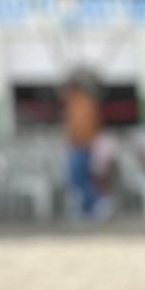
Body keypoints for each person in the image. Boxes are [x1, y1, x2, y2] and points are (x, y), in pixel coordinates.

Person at [61, 77, 103, 220]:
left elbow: (81, 127)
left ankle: (93, 206)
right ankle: (89, 208)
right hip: (81, 146)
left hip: (81, 146)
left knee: (78, 179)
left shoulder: (81, 103)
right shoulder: (78, 103)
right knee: (79, 179)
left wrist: (76, 142)